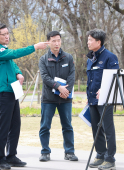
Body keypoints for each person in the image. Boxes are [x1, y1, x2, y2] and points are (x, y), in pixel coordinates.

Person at [0, 23, 48, 169]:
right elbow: (14, 54)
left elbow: (12, 62)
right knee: (4, 126)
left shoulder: (4, 51)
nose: (7, 36)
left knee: (15, 125)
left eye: (8, 33)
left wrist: (18, 72)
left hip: (12, 91)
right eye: (4, 34)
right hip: (2, 92)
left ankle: (11, 155)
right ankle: (0, 157)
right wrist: (35, 47)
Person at [38, 31, 78, 162]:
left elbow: (72, 75)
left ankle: (69, 152)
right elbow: (45, 77)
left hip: (65, 98)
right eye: (53, 41)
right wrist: (58, 86)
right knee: (45, 126)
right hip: (48, 99)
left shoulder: (68, 57)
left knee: (67, 126)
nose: (56, 43)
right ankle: (45, 152)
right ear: (48, 42)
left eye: (58, 40)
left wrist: (66, 90)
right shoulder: (43, 59)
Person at [86, 28, 118, 170]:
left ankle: (110, 159)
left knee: (107, 128)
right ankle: (100, 155)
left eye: (90, 40)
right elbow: (90, 79)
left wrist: (103, 90)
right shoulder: (91, 57)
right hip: (92, 99)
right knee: (96, 128)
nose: (88, 42)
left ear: (98, 42)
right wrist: (88, 96)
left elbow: (115, 78)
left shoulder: (110, 57)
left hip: (105, 100)